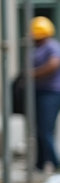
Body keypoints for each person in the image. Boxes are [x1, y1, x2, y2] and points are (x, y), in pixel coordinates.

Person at [30, 16, 60, 174]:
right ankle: (40, 163)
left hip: (51, 92)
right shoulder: (38, 47)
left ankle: (55, 162)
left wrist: (34, 74)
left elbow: (54, 63)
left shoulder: (52, 46)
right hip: (41, 92)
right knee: (41, 129)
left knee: (45, 130)